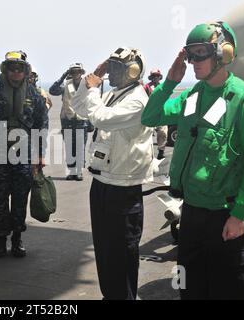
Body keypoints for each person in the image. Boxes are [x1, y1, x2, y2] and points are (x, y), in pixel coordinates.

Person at [141, 21, 244, 300]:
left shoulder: (243, 100)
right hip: (192, 216)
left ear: (223, 53)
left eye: (201, 52)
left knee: (232, 291)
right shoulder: (193, 96)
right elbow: (150, 117)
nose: (193, 61)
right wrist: (170, 81)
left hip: (227, 218)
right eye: (190, 54)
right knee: (190, 290)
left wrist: (239, 214)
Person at [72, 47, 153, 300]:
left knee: (121, 253)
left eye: (116, 68)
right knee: (105, 251)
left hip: (123, 187)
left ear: (132, 71)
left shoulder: (137, 99)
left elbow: (100, 119)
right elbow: (79, 107)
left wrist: (95, 89)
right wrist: (91, 81)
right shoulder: (116, 94)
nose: (111, 73)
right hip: (103, 182)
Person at [0, 50, 48, 258]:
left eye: (20, 68)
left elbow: (41, 126)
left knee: (20, 198)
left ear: (26, 70)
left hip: (24, 155)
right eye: (12, 68)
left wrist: (39, 155)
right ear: (5, 70)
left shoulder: (34, 95)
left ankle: (17, 239)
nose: (16, 72)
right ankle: (0, 241)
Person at [50, 63, 89, 181]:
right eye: (72, 72)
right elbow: (53, 90)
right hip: (68, 121)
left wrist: (91, 121)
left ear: (81, 72)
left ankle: (79, 172)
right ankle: (72, 172)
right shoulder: (66, 86)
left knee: (80, 148)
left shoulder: (87, 85)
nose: (75, 74)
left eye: (77, 71)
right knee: (69, 148)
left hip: (82, 122)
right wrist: (63, 76)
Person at [144, 69, 167, 159]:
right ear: (151, 77)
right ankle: (146, 153)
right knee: (146, 134)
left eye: (157, 76)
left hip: (160, 113)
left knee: (163, 132)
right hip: (149, 113)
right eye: (154, 76)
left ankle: (161, 152)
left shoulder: (162, 87)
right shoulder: (146, 87)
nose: (156, 77)